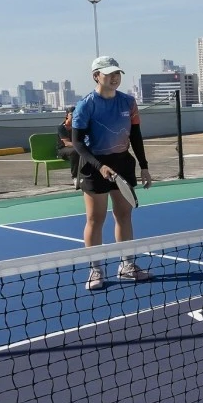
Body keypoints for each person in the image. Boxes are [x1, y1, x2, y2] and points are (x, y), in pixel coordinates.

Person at [72, 56, 154, 290]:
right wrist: (100, 166)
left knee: (124, 215)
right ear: (96, 76)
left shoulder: (129, 102)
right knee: (95, 219)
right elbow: (78, 144)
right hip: (94, 165)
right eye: (109, 73)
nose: (115, 77)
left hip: (123, 164)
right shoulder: (85, 105)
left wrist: (144, 166)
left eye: (117, 73)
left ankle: (127, 266)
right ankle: (95, 270)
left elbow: (136, 137)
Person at [56, 109, 81, 187]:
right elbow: (66, 143)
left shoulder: (78, 125)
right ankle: (75, 177)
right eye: (72, 114)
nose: (74, 116)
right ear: (67, 116)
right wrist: (80, 146)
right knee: (75, 152)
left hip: (76, 147)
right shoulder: (61, 127)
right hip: (62, 149)